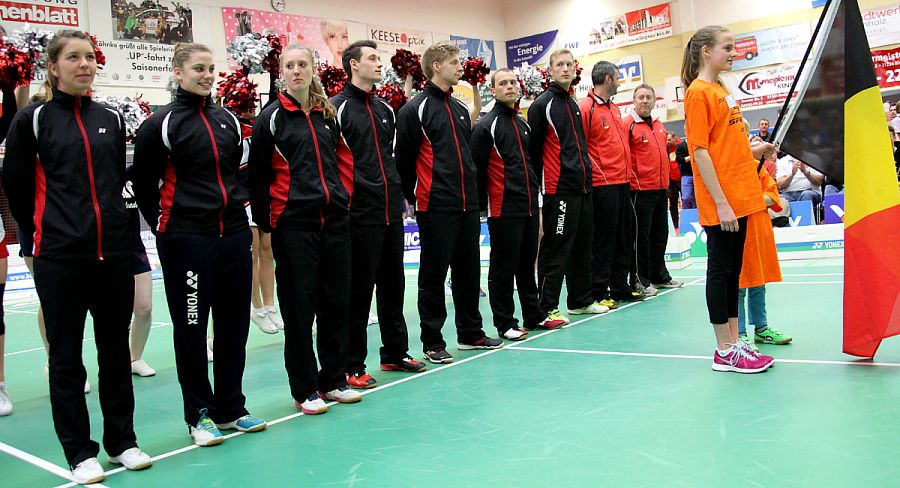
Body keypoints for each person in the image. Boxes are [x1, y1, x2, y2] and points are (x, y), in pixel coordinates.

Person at [3, 30, 152, 483]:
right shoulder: (32, 120)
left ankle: (122, 442)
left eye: (89, 57)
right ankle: (79, 452)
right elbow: (16, 185)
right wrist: (37, 240)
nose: (84, 65)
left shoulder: (110, 118)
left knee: (114, 354)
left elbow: (117, 188)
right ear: (53, 66)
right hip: (60, 259)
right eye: (73, 58)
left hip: (113, 258)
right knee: (66, 358)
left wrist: (123, 242)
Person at [133, 42, 267, 447]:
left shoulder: (227, 117)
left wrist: (238, 208)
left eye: (211, 68)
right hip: (187, 241)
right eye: (198, 69)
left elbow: (242, 171)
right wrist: (169, 227)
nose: (207, 75)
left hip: (233, 237)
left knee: (233, 326)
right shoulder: (161, 124)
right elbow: (143, 184)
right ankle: (200, 415)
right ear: (177, 72)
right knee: (191, 329)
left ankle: (232, 408)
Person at [249, 44, 362, 413]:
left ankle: (334, 379)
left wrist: (342, 199)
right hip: (293, 226)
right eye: (290, 65)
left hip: (333, 221)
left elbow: (344, 160)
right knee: (299, 309)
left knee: (336, 303)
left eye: (303, 64)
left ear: (314, 69)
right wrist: (268, 221)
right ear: (281, 72)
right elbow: (258, 174)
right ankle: (305, 388)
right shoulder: (271, 118)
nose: (297, 70)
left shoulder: (327, 115)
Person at [396, 42, 503, 364]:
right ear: (436, 66)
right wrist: (418, 197)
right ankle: (432, 341)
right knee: (433, 275)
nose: (460, 67)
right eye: (454, 63)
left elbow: (468, 157)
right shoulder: (414, 110)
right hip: (435, 205)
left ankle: (470, 333)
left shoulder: (458, 109)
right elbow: (404, 161)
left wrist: (474, 196)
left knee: (469, 271)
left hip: (467, 204)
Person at [681, 25, 776, 373]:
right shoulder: (698, 93)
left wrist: (756, 149)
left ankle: (735, 342)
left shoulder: (722, 89)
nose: (735, 52)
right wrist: (720, 202)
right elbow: (701, 153)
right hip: (723, 199)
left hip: (743, 195)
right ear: (706, 51)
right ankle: (723, 349)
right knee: (720, 272)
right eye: (728, 47)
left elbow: (725, 146)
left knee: (734, 272)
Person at [332, 40, 426, 389]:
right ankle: (352, 364)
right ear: (353, 64)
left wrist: (400, 196)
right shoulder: (336, 109)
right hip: (358, 214)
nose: (378, 62)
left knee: (393, 285)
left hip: (390, 211)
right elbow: (330, 161)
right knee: (358, 292)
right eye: (372, 58)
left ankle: (394, 353)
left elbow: (391, 157)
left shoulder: (385, 109)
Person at [473, 68, 564, 341]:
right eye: (503, 83)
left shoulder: (523, 123)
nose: (510, 86)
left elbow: (532, 161)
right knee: (503, 267)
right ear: (494, 90)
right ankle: (505, 323)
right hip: (503, 207)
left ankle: (533, 316)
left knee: (527, 265)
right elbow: (477, 169)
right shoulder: (486, 125)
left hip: (527, 204)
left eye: (513, 82)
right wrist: (481, 206)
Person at [528, 49, 609, 325]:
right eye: (559, 65)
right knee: (556, 248)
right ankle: (547, 306)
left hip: (583, 186)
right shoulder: (543, 105)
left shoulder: (574, 103)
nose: (565, 69)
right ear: (550, 71)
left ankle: (580, 300)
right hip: (558, 189)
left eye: (568, 65)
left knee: (583, 246)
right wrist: (541, 191)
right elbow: (535, 150)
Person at [578, 61, 647, 308]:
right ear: (608, 79)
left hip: (622, 181)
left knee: (623, 237)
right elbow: (580, 147)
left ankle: (620, 287)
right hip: (602, 183)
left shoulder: (615, 109)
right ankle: (599, 290)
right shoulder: (586, 108)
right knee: (604, 240)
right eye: (617, 77)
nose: (619, 82)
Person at [623, 84, 683, 291]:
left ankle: (660, 276)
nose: (645, 100)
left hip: (660, 189)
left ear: (654, 100)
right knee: (641, 237)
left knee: (661, 234)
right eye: (641, 97)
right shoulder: (627, 124)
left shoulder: (659, 125)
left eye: (648, 97)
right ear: (634, 100)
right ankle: (640, 280)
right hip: (640, 190)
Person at [738, 146, 792, 354]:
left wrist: (750, 201)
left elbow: (772, 196)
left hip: (759, 232)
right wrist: (753, 201)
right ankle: (740, 333)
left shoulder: (757, 168)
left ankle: (761, 328)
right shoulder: (727, 169)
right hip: (739, 234)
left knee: (759, 283)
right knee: (740, 285)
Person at [122, 166, 156, 377]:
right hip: (106, 251)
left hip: (134, 249)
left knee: (144, 308)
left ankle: (135, 358)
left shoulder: (136, 173)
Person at [666, 132, 681, 230]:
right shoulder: (666, 149)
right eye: (666, 140)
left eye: (669, 140)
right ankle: (675, 224)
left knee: (687, 200)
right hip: (671, 180)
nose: (667, 142)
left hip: (682, 177)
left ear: (675, 139)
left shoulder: (681, 146)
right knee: (673, 202)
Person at [675, 133, 695, 209]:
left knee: (698, 198)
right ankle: (687, 213)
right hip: (686, 175)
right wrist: (690, 157)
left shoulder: (697, 144)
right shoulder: (681, 146)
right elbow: (678, 159)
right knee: (686, 197)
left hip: (698, 174)